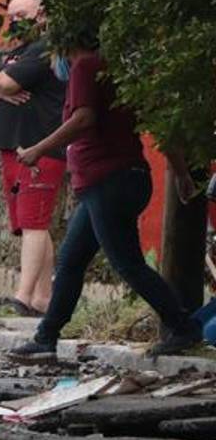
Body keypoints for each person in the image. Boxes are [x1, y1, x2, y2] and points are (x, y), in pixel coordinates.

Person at [10, 40, 202, 358]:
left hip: (107, 181)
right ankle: (46, 337)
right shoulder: (118, 71)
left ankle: (183, 327)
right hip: (119, 180)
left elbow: (83, 118)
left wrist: (38, 149)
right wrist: (180, 172)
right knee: (71, 260)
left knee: (128, 264)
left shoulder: (85, 66)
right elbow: (156, 123)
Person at [0, 0, 67, 316]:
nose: (15, 22)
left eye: (22, 15)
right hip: (13, 145)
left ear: (41, 14)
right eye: (12, 16)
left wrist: (2, 85)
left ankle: (23, 295)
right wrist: (1, 86)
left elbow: (4, 85)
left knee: (34, 222)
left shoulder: (45, 49)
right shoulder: (20, 51)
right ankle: (42, 297)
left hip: (38, 147)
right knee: (30, 224)